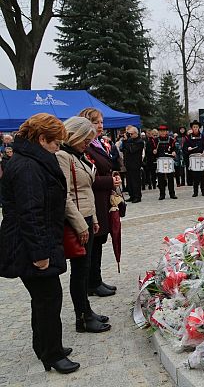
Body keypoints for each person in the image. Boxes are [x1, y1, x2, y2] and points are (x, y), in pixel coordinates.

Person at [0, 114, 80, 374]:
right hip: (32, 246)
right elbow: (31, 213)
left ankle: (46, 346)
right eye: (56, 143)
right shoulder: (28, 167)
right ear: (42, 139)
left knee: (44, 299)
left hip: (38, 241)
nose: (58, 148)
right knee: (48, 300)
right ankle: (51, 354)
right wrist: (40, 254)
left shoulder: (31, 160)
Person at [56, 117, 111, 334]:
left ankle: (86, 311)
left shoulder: (77, 155)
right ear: (74, 134)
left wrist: (94, 220)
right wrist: (80, 225)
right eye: (85, 140)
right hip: (77, 220)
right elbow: (66, 195)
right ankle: (83, 317)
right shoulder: (63, 156)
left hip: (87, 217)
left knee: (84, 268)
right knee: (79, 271)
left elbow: (86, 191)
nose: (87, 144)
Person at [80, 108, 121, 297]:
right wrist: (109, 181)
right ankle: (91, 282)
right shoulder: (84, 146)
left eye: (102, 122)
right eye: (96, 122)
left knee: (99, 242)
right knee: (94, 243)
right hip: (93, 199)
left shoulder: (99, 144)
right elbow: (87, 178)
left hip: (103, 198)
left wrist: (113, 178)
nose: (100, 126)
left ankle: (96, 279)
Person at [183, 120, 204, 197]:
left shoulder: (203, 137)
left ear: (199, 128)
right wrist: (188, 148)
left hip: (201, 157)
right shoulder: (187, 138)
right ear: (192, 128)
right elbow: (184, 148)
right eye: (194, 127)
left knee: (202, 175)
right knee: (195, 176)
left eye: (197, 127)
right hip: (193, 158)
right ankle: (195, 192)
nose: (195, 128)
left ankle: (203, 191)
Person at [121, 126, 144, 203]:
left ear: (135, 133)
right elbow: (122, 149)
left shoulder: (140, 141)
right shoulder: (129, 141)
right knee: (129, 181)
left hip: (135, 164)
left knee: (135, 181)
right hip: (128, 163)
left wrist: (127, 141)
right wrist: (124, 141)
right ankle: (132, 195)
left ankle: (137, 196)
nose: (129, 135)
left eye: (130, 134)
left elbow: (132, 150)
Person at [154, 125, 177, 200]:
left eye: (164, 131)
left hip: (169, 160)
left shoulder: (171, 140)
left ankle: (172, 193)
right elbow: (151, 151)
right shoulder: (155, 140)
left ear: (167, 132)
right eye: (161, 131)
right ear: (159, 132)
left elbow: (174, 149)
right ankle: (162, 194)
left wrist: (173, 152)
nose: (163, 132)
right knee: (160, 179)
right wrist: (154, 152)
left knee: (170, 178)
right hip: (160, 161)